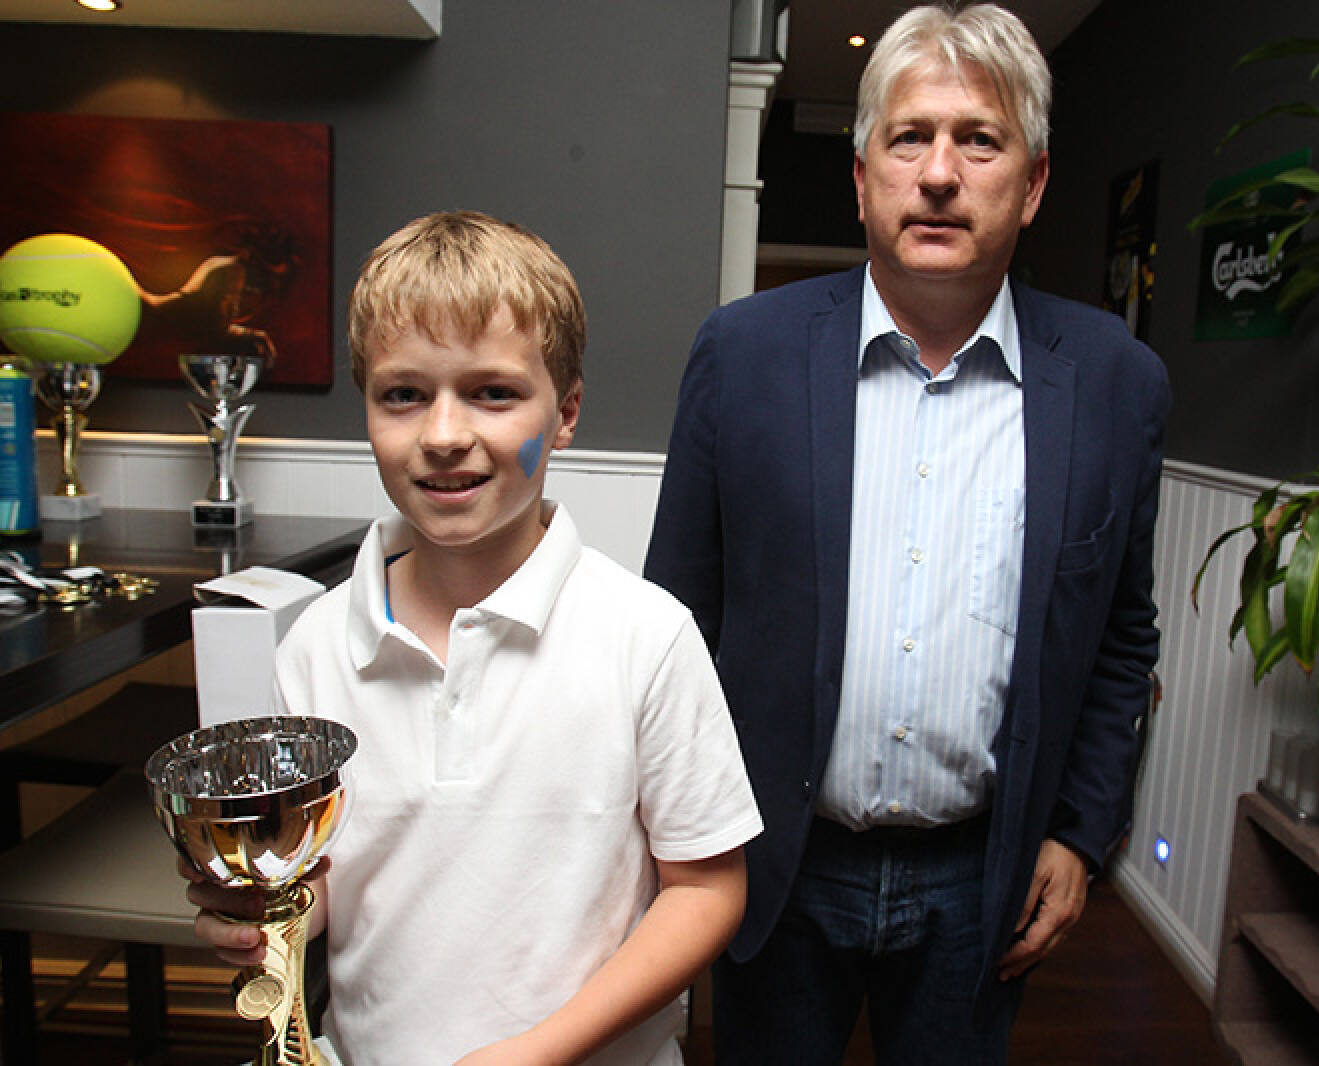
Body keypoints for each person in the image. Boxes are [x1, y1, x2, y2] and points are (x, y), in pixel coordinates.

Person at [643, 5, 1170, 1064]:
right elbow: (672, 621)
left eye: (978, 141)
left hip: (982, 884)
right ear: (860, 177)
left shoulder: (1115, 381)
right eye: (908, 137)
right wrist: (675, 845)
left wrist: (1080, 832)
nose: (937, 174)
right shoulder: (743, 354)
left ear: (1032, 184)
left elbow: (1120, 633)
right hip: (776, 867)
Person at [181, 210, 763, 1066]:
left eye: (493, 393)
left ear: (565, 413)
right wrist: (264, 910)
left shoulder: (647, 638)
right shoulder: (316, 647)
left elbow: (707, 889)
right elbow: (334, 881)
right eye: (403, 395)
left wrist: (539, 1050)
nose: (444, 436)